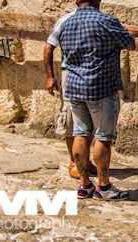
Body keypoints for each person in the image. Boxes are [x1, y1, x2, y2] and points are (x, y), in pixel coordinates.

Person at [59, 0, 138, 201]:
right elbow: (129, 44)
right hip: (101, 87)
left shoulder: (66, 24)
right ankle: (104, 187)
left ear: (76, 1)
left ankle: (84, 186)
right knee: (102, 137)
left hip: (74, 87)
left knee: (81, 134)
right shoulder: (106, 21)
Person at [43, 12, 97, 179]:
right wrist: (50, 76)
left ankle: (83, 160)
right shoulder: (66, 20)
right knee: (70, 117)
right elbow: (49, 46)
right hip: (71, 73)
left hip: (91, 74)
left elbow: (124, 30)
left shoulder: (97, 18)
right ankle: (74, 161)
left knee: (89, 118)